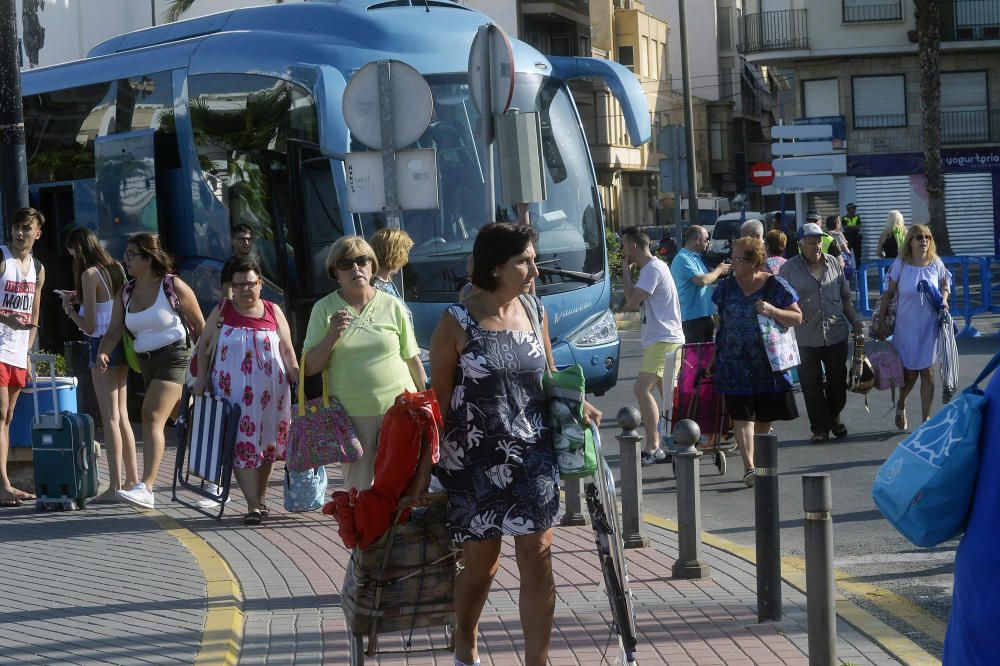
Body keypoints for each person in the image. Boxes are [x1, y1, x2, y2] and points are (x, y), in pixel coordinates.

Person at [429, 222, 601, 666]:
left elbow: (547, 374)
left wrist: (577, 405)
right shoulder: (456, 321)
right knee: (482, 566)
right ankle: (465, 636)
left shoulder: (533, 309)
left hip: (532, 457)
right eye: (523, 261)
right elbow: (441, 402)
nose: (534, 270)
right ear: (495, 266)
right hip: (473, 459)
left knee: (538, 558)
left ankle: (536, 660)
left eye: (533, 259)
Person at [302, 236, 426, 491]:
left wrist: (426, 404)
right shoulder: (324, 309)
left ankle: (396, 532)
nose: (355, 268)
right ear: (335, 272)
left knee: (401, 483)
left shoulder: (393, 305)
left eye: (362, 261)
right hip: (351, 415)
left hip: (398, 408)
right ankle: (365, 532)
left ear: (372, 266)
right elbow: (310, 367)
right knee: (359, 488)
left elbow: (412, 358)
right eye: (346, 264)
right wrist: (332, 336)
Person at [98, 233, 205, 509]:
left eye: (133, 254)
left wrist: (205, 367)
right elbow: (113, 332)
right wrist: (103, 351)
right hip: (146, 363)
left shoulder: (172, 285)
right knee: (188, 420)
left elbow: (202, 327)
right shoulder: (126, 291)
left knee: (150, 415)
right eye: (127, 253)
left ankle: (146, 487)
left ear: (148, 259)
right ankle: (214, 473)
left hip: (176, 356)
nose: (126, 259)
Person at [192, 257, 297, 525]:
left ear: (260, 284)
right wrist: (201, 378)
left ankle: (260, 500)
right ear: (231, 287)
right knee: (240, 444)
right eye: (238, 285)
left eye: (250, 284)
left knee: (267, 446)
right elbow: (204, 346)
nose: (245, 290)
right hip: (233, 394)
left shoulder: (273, 311)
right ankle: (252, 505)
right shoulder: (223, 310)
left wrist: (299, 378)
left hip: (273, 394)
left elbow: (286, 349)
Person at [713, 237, 802, 487]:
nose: (733, 262)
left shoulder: (775, 285)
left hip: (767, 365)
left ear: (754, 262)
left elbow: (797, 317)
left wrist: (772, 310)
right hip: (733, 364)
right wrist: (714, 356)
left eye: (739, 258)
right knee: (742, 418)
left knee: (763, 419)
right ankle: (749, 467)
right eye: (733, 256)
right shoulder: (725, 288)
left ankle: (761, 463)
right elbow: (720, 325)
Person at [60, 227, 138, 502]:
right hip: (120, 343)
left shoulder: (89, 274)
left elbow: (90, 325)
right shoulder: (115, 267)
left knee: (110, 417)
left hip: (99, 346)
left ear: (78, 249)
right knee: (123, 415)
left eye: (72, 252)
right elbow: (109, 308)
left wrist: (70, 310)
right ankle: (132, 480)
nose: (71, 256)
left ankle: (114, 486)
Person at [779, 223, 864, 442]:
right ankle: (820, 428)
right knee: (811, 385)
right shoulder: (789, 269)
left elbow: (845, 296)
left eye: (819, 241)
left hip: (836, 332)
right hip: (805, 335)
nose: (816, 246)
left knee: (838, 383)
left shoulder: (834, 262)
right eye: (811, 242)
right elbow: (780, 301)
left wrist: (855, 321)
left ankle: (833, 416)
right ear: (800, 244)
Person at [874, 224, 952, 430]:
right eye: (919, 237)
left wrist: (944, 299)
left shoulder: (936, 263)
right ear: (910, 241)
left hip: (929, 326)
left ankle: (925, 420)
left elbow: (945, 284)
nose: (924, 241)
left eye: (927, 237)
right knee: (909, 373)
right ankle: (901, 404)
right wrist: (881, 321)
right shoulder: (901, 264)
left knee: (928, 371)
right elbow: (888, 294)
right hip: (906, 327)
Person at [621, 226, 685, 465]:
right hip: (662, 339)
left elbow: (630, 302)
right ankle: (677, 440)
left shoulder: (651, 269)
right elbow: (633, 301)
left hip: (664, 340)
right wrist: (628, 271)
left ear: (634, 247)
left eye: (625, 246)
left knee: (641, 389)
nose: (623, 251)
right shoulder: (654, 267)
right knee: (667, 396)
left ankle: (653, 446)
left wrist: (626, 271)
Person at [0, 208, 45, 507]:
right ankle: (3, 485)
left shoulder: (38, 269)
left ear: (37, 233)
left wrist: (28, 351)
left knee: (8, 418)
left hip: (17, 351)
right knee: (0, 414)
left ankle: (6, 483)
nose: (20, 233)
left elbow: (34, 314)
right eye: (17, 227)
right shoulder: (2, 259)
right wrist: (6, 319)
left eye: (26, 229)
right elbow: (13, 316)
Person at [670, 225, 730, 344]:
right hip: (692, 320)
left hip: (704, 317)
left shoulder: (696, 258)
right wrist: (718, 270)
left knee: (705, 359)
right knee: (694, 360)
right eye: (706, 239)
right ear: (697, 239)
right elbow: (702, 281)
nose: (708, 242)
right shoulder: (683, 258)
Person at [369, 227, 414, 300]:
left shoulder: (385, 281)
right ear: (394, 255)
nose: (406, 259)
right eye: (405, 252)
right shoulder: (376, 288)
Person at [221, 223, 256, 298]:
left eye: (249, 239)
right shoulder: (230, 266)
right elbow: (228, 298)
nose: (246, 242)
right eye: (242, 239)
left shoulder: (253, 262)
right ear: (233, 241)